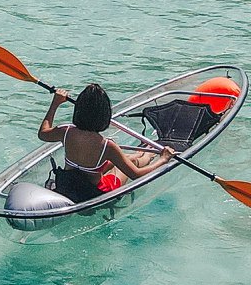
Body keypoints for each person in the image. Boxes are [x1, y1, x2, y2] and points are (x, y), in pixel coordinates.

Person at [37, 83, 169, 203]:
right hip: (93, 192)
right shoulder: (106, 146)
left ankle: (135, 155)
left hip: (68, 183)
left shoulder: (65, 131)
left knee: (122, 159)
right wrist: (163, 159)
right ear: (105, 116)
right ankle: (146, 157)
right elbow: (135, 175)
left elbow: (43, 133)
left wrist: (55, 103)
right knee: (129, 164)